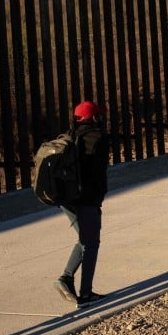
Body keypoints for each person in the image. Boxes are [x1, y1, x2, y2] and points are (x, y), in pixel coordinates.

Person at [54, 101, 110, 308]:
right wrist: (97, 198)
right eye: (99, 115)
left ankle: (67, 279)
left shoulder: (68, 136)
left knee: (85, 239)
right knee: (91, 243)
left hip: (66, 199)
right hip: (86, 198)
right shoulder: (98, 137)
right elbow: (97, 173)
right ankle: (85, 294)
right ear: (94, 117)